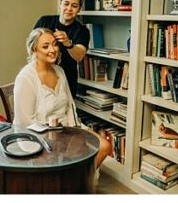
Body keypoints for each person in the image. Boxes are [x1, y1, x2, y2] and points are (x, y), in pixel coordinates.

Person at [13, 28, 111, 172]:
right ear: (34, 50)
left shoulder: (60, 71)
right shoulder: (25, 78)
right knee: (62, 158)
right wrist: (57, 139)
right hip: (37, 135)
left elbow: (69, 107)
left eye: (55, 44)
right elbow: (25, 123)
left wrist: (75, 130)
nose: (52, 50)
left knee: (104, 146)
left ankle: (78, 183)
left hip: (66, 127)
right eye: (45, 46)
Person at [33, 0, 90, 94]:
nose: (69, 9)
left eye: (74, 6)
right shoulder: (44, 21)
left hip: (67, 81)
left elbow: (79, 56)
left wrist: (68, 43)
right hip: (41, 78)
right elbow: (31, 47)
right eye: (66, 4)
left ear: (79, 9)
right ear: (60, 4)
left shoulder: (82, 31)